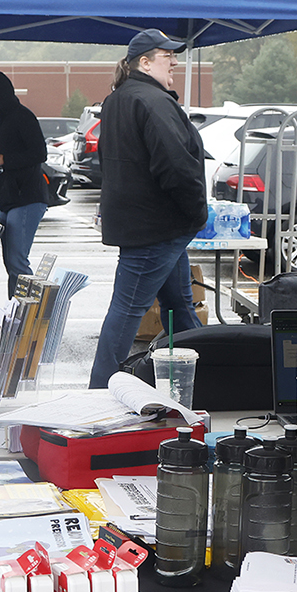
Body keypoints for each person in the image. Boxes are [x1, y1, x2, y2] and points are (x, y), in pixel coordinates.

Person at [87, 29, 207, 388]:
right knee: (127, 311)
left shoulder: (118, 99)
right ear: (144, 62)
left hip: (145, 225)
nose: (174, 61)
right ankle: (99, 391)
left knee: (180, 309)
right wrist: (197, 214)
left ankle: (211, 376)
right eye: (166, 55)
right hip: (157, 227)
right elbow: (176, 165)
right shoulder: (152, 101)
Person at [0, 70, 50, 297]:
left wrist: (4, 159)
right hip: (8, 200)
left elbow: (39, 153)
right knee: (11, 263)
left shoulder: (22, 116)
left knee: (17, 263)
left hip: (26, 198)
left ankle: (26, 318)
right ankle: (13, 312)